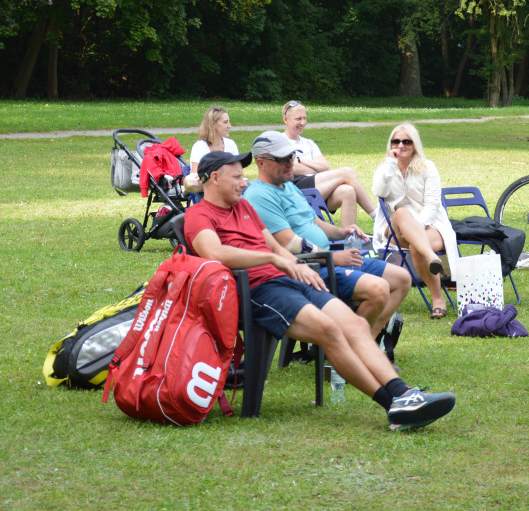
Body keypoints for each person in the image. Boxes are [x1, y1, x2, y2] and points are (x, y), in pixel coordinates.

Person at [183, 150, 456, 431]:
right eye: (237, 177)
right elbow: (215, 252)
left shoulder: (244, 208)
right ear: (214, 178)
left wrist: (295, 264)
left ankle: (405, 394)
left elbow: (276, 247)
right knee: (330, 331)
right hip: (257, 291)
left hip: (288, 280)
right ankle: (394, 406)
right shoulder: (198, 215)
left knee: (354, 325)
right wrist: (274, 260)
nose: (244, 183)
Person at [243, 131, 411, 338]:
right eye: (281, 159)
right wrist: (332, 257)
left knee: (402, 278)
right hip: (307, 267)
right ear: (261, 163)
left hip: (327, 258)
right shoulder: (259, 196)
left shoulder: (287, 185)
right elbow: (289, 244)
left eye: (291, 157)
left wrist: (343, 231)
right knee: (378, 289)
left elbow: (315, 222)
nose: (289, 163)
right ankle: (353, 346)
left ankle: (369, 340)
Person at [371, 122, 458, 320]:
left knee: (416, 246)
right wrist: (391, 165)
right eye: (396, 141)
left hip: (432, 225)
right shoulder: (385, 167)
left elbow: (432, 205)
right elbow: (379, 192)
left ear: (414, 144)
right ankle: (432, 258)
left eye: (406, 141)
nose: (400, 145)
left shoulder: (428, 168)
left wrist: (417, 228)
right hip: (395, 230)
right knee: (400, 212)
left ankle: (438, 300)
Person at [281, 100, 378, 229]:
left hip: (317, 187)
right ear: (286, 119)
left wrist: (300, 160)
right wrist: (313, 167)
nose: (303, 123)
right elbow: (290, 169)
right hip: (296, 188)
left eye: (304, 118)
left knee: (348, 191)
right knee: (347, 172)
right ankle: (377, 216)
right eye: (298, 119)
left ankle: (348, 240)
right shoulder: (279, 141)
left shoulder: (309, 143)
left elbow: (325, 167)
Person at [186, 106, 239, 193]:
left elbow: (237, 171)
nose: (230, 126)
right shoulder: (200, 146)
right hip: (206, 190)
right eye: (225, 122)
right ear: (213, 124)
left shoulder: (231, 144)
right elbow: (196, 177)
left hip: (230, 187)